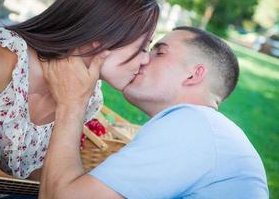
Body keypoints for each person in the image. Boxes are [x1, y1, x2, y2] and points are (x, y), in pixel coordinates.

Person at [39, 26, 269, 199]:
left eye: (159, 52)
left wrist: (72, 103)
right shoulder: (202, 128)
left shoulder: (193, 127)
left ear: (193, 75)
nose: (143, 58)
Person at [0, 0, 159, 181]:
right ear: (103, 36)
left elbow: (31, 174)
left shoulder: (90, 96)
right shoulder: (3, 58)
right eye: (143, 47)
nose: (146, 60)